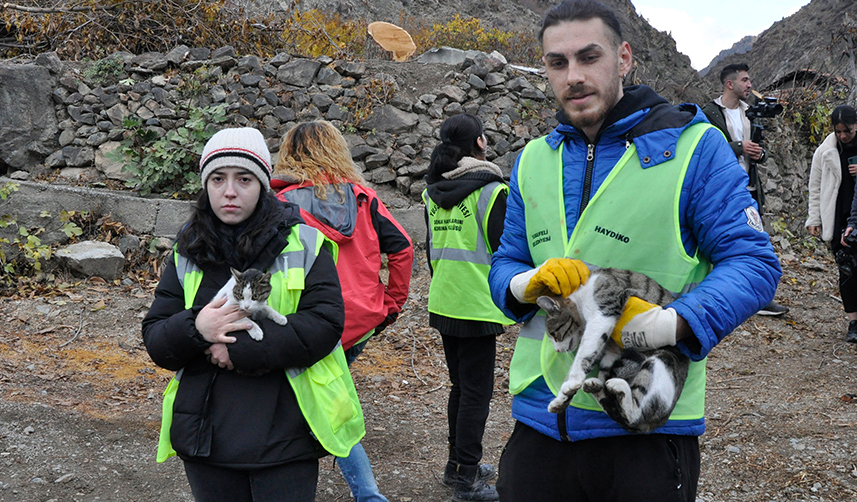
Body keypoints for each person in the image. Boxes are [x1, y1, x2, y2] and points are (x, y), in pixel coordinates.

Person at [486, 2, 782, 501]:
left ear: (624, 58)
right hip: (540, 421)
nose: (574, 76)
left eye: (588, 57)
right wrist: (519, 284)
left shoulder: (694, 147)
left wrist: (673, 323)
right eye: (558, 63)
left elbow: (753, 263)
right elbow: (507, 261)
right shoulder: (534, 159)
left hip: (646, 431)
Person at [142, 127, 364, 502]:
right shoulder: (187, 248)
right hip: (205, 437)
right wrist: (197, 327)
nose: (229, 191)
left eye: (243, 179)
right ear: (205, 185)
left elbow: (326, 324)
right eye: (218, 179)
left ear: (262, 184)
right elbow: (156, 337)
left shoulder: (305, 241)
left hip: (285, 437)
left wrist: (238, 348)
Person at [272, 120, 413, 502]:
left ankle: (368, 495)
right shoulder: (364, 198)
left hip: (311, 323)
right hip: (360, 321)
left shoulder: (282, 205)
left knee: (321, 407)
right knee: (328, 400)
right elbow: (402, 248)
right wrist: (392, 303)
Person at [422, 114, 513, 502]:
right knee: (476, 393)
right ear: (478, 143)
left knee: (461, 388)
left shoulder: (431, 192)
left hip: (444, 299)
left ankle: (456, 465)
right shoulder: (493, 192)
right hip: (477, 303)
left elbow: (430, 250)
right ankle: (467, 477)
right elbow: (506, 251)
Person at [702, 63, 790, 316]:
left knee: (754, 243)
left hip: (749, 188)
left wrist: (760, 153)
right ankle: (715, 296)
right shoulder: (709, 112)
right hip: (720, 190)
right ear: (730, 84)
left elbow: (760, 151)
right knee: (716, 243)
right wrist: (740, 147)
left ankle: (760, 298)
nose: (750, 85)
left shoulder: (750, 112)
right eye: (745, 80)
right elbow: (707, 149)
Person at [809, 105, 857, 342]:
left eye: (847, 130)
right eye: (838, 131)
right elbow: (815, 186)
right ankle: (853, 322)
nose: (843, 136)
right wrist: (814, 218)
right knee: (846, 269)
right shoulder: (825, 150)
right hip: (838, 217)